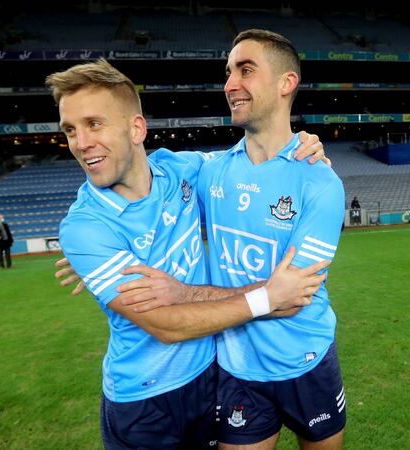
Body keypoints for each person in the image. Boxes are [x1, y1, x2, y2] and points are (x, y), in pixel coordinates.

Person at [46, 58, 329, 449]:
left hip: (209, 379)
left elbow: (253, 154)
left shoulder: (178, 171)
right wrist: (270, 297)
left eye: (94, 124)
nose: (80, 142)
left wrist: (304, 149)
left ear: (136, 128)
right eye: (70, 130)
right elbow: (167, 325)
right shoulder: (84, 228)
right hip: (143, 402)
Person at [119, 30, 346, 449]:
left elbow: (290, 299)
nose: (229, 84)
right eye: (227, 72)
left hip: (307, 361)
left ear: (286, 83)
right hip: (238, 370)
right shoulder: (209, 171)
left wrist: (183, 295)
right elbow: (126, 168)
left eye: (245, 70)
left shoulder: (320, 183)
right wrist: (89, 228)